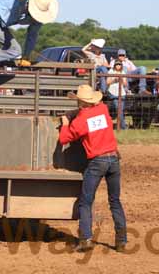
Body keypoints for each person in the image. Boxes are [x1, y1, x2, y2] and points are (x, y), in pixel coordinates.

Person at [59, 84, 127, 253]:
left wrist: (66, 123)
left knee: (86, 201)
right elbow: (90, 115)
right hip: (113, 158)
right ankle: (121, 241)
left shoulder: (80, 122)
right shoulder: (103, 109)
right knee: (115, 200)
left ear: (80, 102)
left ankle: (85, 239)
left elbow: (64, 139)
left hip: (97, 161)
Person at [107, 60, 128, 129]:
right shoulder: (111, 71)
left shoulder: (123, 72)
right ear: (114, 65)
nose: (118, 66)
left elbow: (125, 84)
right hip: (113, 93)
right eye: (117, 65)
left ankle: (121, 126)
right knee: (118, 110)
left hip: (122, 93)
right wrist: (114, 79)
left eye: (119, 65)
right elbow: (107, 82)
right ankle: (123, 127)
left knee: (121, 110)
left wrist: (121, 79)